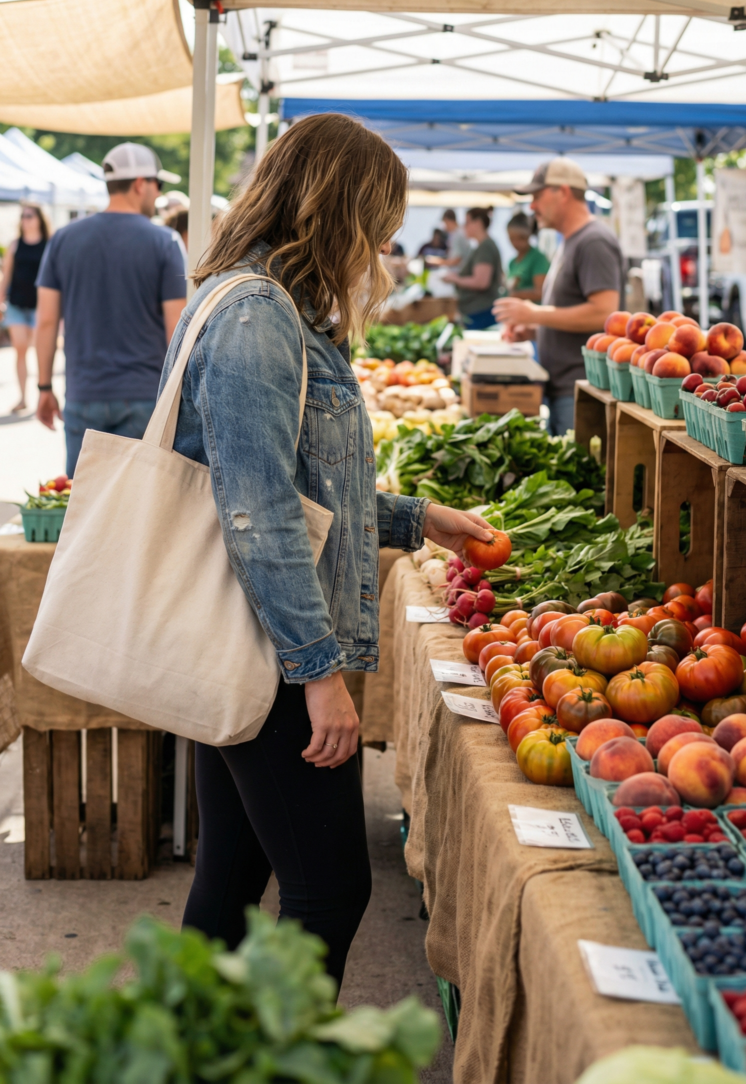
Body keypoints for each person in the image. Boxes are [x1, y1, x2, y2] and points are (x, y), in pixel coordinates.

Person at [170, 113, 493, 985]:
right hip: (271, 644)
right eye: (380, 222)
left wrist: (417, 517)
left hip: (246, 632)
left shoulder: (257, 301)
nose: (387, 245)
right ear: (339, 210)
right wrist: (320, 677)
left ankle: (196, 1054)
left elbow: (296, 484)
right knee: (329, 890)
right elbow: (261, 513)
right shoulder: (259, 318)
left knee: (233, 878)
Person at [35, 143, 187, 476]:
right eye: (157, 185)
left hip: (83, 393)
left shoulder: (63, 239)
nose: (158, 195)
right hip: (146, 397)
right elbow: (177, 329)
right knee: (136, 514)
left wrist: (44, 387)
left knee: (86, 512)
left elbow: (46, 320)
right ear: (139, 184)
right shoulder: (166, 242)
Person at [493, 158, 622, 436]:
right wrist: (534, 331)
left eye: (537, 196)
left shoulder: (593, 241)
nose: (532, 206)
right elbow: (573, 313)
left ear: (563, 192)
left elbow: (604, 313)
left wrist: (534, 314)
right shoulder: (572, 241)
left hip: (582, 389)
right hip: (564, 389)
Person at [0, 204, 49, 413]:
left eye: (29, 216)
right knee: (20, 348)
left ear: (39, 219)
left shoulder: (49, 244)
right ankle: (22, 397)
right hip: (17, 305)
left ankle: (43, 394)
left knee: (41, 351)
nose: (25, 220)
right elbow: (7, 274)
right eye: (23, 216)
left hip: (41, 306)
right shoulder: (15, 245)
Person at [443, 206, 504, 329]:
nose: (464, 227)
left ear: (478, 223)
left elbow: (481, 282)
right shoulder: (482, 246)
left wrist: (455, 279)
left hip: (481, 313)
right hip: (477, 312)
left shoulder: (485, 247)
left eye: (467, 222)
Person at [505, 211, 550, 302]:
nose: (515, 243)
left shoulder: (538, 258)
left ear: (528, 235)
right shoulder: (512, 262)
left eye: (520, 238)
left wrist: (515, 294)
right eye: (512, 238)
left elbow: (541, 292)